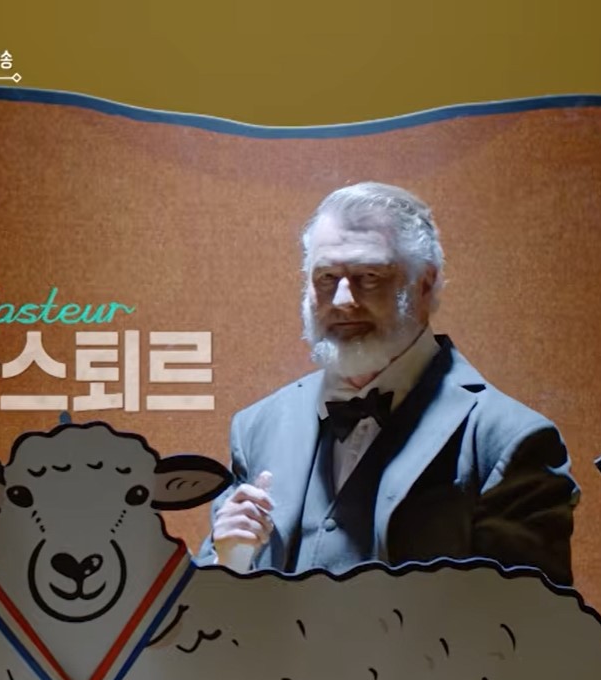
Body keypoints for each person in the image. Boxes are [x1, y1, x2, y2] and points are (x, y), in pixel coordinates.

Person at [197, 182, 579, 586]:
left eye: (369, 276)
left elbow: (529, 618)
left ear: (425, 283)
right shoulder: (257, 427)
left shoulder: (508, 439)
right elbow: (209, 605)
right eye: (326, 277)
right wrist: (228, 563)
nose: (342, 299)